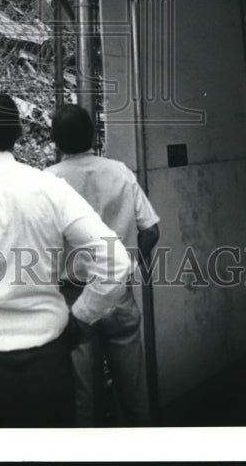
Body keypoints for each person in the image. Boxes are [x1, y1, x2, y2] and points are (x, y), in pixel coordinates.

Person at [0, 89, 131, 428]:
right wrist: (83, 316)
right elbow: (115, 261)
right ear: (18, 132)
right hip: (45, 365)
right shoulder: (50, 190)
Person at [47, 103, 160, 427]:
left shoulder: (47, 182)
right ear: (94, 134)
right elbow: (150, 229)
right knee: (134, 390)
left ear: (55, 141)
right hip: (117, 292)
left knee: (82, 396)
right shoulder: (120, 172)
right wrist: (135, 263)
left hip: (73, 298)